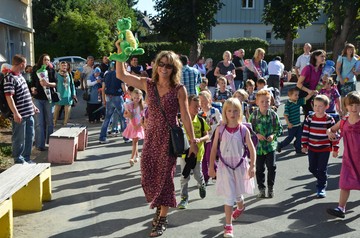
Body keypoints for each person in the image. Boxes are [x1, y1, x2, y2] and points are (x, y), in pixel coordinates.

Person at [115, 45, 198, 237]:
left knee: (166, 178)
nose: (164, 68)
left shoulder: (179, 89)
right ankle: (159, 206)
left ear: (174, 69)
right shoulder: (148, 84)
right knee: (148, 173)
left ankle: (162, 218)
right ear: (156, 65)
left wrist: (193, 141)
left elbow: (185, 116)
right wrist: (120, 53)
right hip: (151, 136)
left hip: (169, 139)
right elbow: (122, 74)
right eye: (161, 64)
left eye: (168, 66)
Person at [208, 98, 256, 238]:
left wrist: (252, 166)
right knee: (229, 195)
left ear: (240, 112)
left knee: (237, 193)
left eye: (235, 111)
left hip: (240, 165)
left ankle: (240, 206)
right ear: (225, 112)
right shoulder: (220, 129)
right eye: (229, 111)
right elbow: (213, 149)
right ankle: (228, 226)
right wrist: (211, 166)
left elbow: (252, 150)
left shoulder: (243, 130)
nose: (232, 113)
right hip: (224, 166)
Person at [326, 91, 360, 218]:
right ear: (346, 106)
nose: (354, 108)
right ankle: (341, 208)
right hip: (349, 158)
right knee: (345, 183)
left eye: (357, 105)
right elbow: (331, 129)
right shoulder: (344, 121)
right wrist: (330, 133)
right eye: (351, 105)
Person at [301, 95, 339, 198]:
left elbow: (334, 134)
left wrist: (335, 148)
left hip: (324, 148)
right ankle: (322, 178)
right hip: (312, 148)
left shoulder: (329, 119)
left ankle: (321, 187)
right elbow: (305, 132)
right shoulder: (309, 118)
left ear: (326, 107)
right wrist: (304, 145)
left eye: (320, 106)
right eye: (315, 105)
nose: (317, 108)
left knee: (322, 169)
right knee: (312, 168)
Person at [4, 54, 39, 164]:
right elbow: (9, 97)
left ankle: (27, 158)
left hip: (29, 112)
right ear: (22, 64)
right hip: (20, 114)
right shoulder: (9, 78)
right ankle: (18, 160)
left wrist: (33, 106)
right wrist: (15, 113)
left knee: (30, 137)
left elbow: (27, 94)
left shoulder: (20, 76)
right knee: (19, 138)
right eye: (25, 63)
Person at [178, 95, 210, 209]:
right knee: (184, 176)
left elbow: (207, 136)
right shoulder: (182, 120)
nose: (198, 109)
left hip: (197, 153)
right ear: (188, 106)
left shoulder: (201, 120)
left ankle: (201, 185)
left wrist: (199, 140)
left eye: (199, 107)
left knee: (197, 174)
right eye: (195, 106)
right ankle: (184, 198)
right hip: (185, 154)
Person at [249, 90, 282, 198]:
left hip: (270, 146)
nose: (265, 104)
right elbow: (249, 130)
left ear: (270, 102)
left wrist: (273, 135)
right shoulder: (253, 115)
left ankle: (270, 187)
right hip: (258, 148)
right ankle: (261, 188)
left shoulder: (273, 115)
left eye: (267, 101)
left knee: (271, 167)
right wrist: (256, 134)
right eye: (262, 101)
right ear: (257, 102)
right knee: (259, 169)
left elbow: (279, 128)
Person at [31, 53, 57, 151]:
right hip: (38, 98)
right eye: (45, 59)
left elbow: (55, 84)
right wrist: (33, 89)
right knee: (39, 123)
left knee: (50, 121)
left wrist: (47, 84)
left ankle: (51, 143)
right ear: (41, 60)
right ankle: (40, 145)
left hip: (49, 99)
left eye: (48, 60)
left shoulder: (51, 70)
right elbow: (32, 83)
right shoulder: (35, 71)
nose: (47, 61)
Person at [277, 88, 314, 154]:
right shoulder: (288, 105)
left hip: (298, 125)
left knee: (300, 137)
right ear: (290, 96)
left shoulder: (298, 102)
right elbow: (285, 115)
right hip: (292, 125)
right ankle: (280, 145)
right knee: (290, 138)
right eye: (295, 95)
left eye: (298, 95)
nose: (297, 96)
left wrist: (311, 94)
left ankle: (298, 149)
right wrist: (288, 123)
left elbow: (305, 99)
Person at [98, 62, 127, 143]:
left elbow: (103, 88)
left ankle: (102, 137)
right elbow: (124, 89)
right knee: (123, 117)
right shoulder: (120, 75)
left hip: (108, 97)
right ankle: (126, 137)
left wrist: (103, 100)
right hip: (117, 97)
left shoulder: (106, 74)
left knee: (107, 118)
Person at [198, 91, 222, 185]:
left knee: (209, 156)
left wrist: (215, 132)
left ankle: (216, 173)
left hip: (212, 138)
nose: (203, 103)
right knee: (203, 159)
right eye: (200, 101)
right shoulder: (199, 114)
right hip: (203, 138)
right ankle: (205, 176)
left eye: (205, 100)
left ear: (210, 100)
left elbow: (219, 123)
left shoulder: (214, 111)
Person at [296, 49, 326, 118]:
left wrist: (323, 82)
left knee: (312, 115)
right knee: (309, 114)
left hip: (312, 95)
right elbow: (299, 84)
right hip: (304, 95)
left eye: (324, 57)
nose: (324, 58)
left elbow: (320, 85)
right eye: (322, 56)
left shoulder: (321, 70)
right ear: (315, 57)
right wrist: (309, 91)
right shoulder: (307, 68)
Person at [123, 88, 145, 166]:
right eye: (135, 98)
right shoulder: (129, 105)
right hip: (132, 124)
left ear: (141, 97)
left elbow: (143, 117)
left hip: (139, 124)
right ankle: (137, 156)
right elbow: (125, 115)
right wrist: (128, 114)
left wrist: (139, 125)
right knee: (134, 141)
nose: (136, 99)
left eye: (138, 98)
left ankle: (132, 158)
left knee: (135, 141)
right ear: (132, 97)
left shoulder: (142, 106)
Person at [336, 43, 359, 115]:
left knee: (352, 98)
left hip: (352, 81)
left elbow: (357, 70)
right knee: (343, 98)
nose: (350, 51)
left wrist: (357, 72)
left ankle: (352, 114)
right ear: (346, 50)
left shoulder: (355, 59)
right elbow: (337, 69)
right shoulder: (342, 58)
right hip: (343, 80)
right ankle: (344, 114)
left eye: (352, 49)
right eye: (349, 49)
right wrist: (340, 78)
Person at [53, 61, 77, 126]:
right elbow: (54, 84)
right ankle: (54, 122)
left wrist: (74, 93)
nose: (64, 67)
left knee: (68, 110)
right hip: (60, 94)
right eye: (62, 65)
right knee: (57, 109)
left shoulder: (69, 74)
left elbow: (72, 84)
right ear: (59, 66)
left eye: (65, 65)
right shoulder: (56, 74)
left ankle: (65, 123)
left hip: (68, 94)